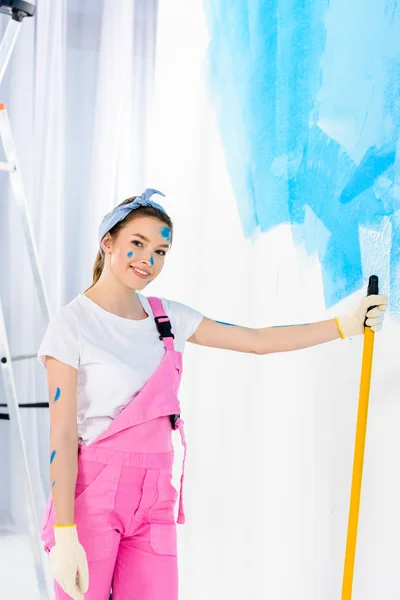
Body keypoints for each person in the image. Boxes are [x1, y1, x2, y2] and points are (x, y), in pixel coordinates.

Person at [37, 188, 388, 600]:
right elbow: (61, 436)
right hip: (92, 496)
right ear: (107, 242)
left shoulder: (166, 318)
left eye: (161, 251)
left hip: (154, 500)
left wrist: (342, 325)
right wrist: (65, 532)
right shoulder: (72, 325)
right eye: (137, 244)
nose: (148, 260)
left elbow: (255, 340)